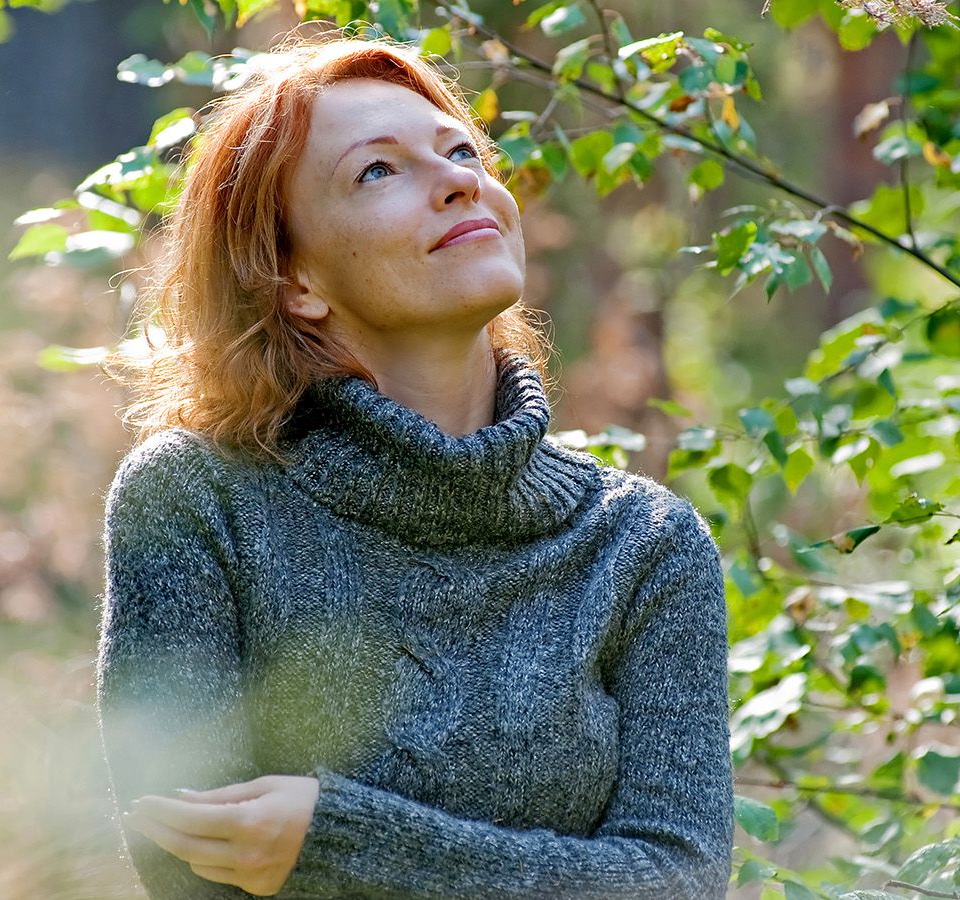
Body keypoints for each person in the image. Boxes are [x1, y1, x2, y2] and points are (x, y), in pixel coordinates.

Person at [95, 34, 733, 900]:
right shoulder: (195, 499)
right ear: (296, 282)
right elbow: (188, 867)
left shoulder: (645, 544)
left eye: (461, 150)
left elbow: (681, 882)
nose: (462, 179)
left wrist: (339, 842)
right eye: (378, 171)